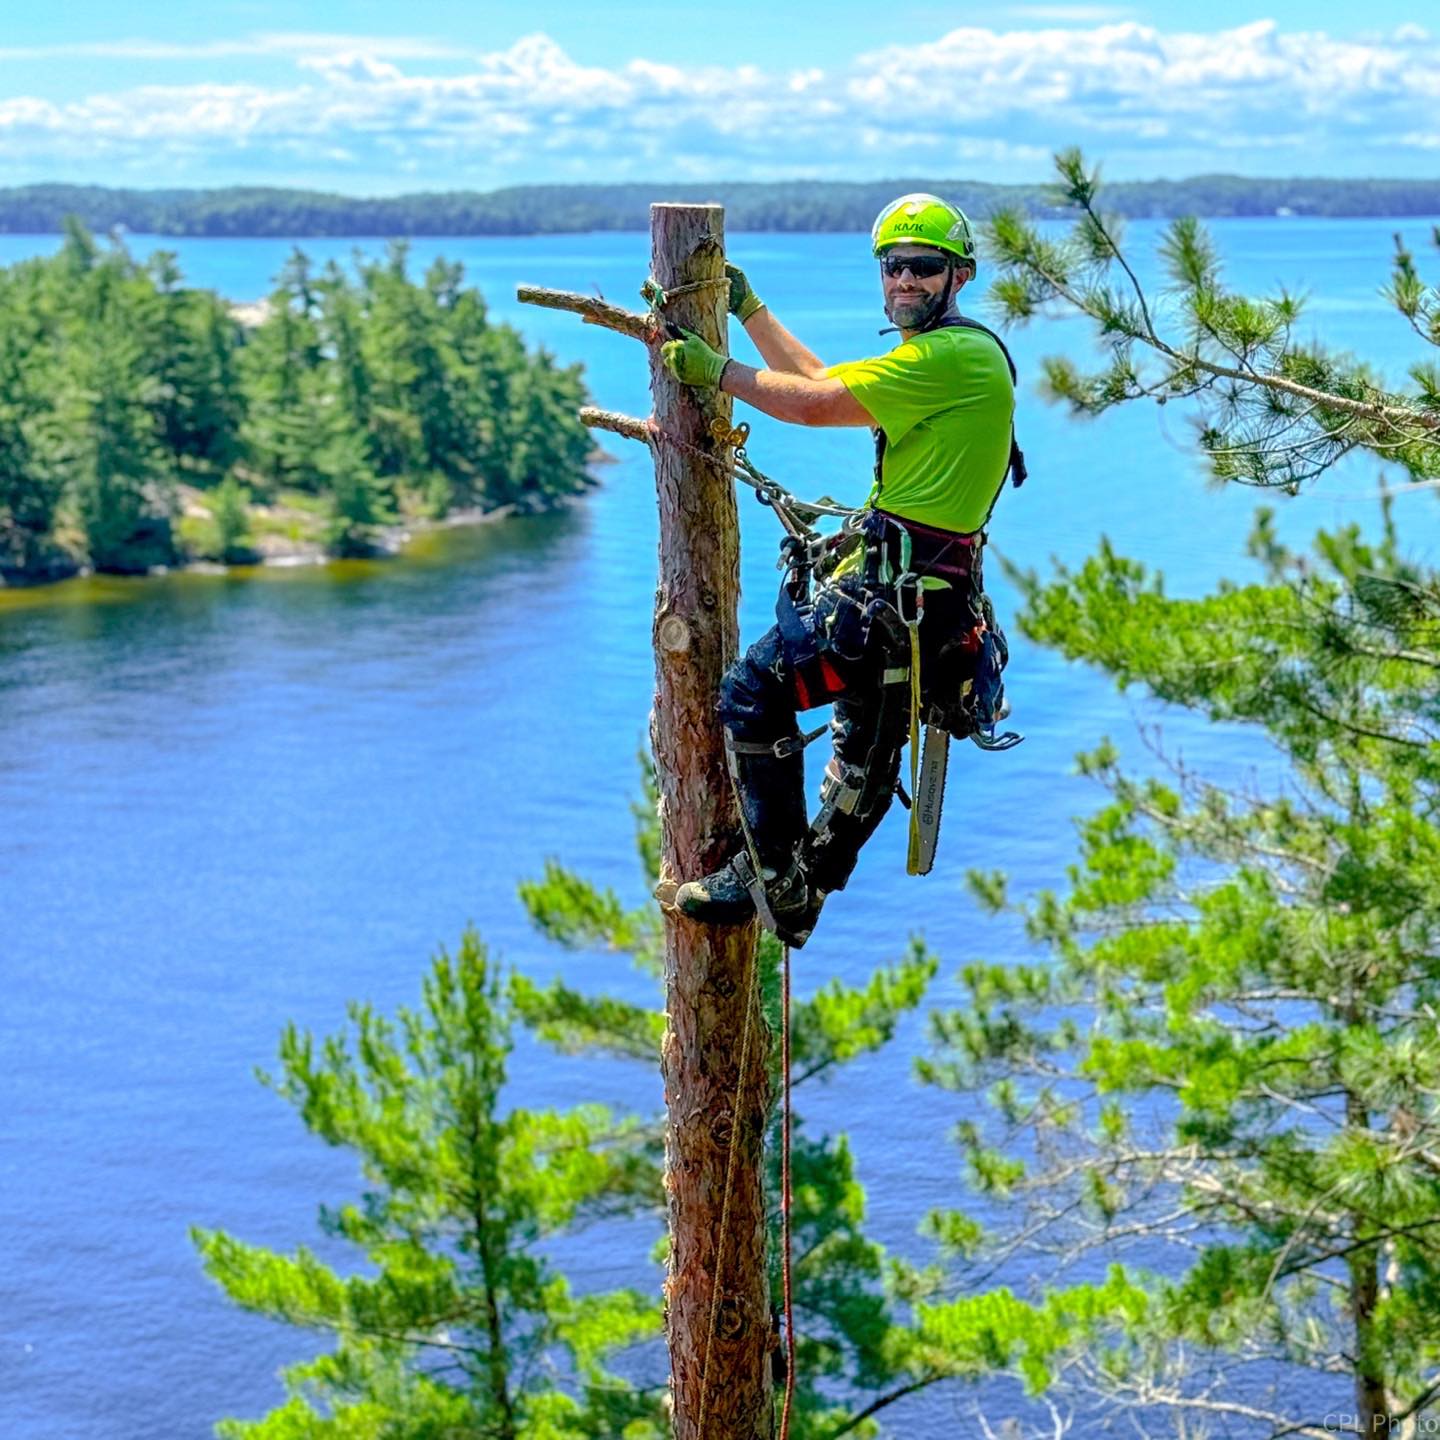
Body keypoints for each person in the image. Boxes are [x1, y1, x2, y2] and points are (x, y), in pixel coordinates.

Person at [660, 193, 1023, 948]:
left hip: (895, 600)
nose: (906, 283)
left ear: (960, 277)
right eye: (895, 268)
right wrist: (751, 310)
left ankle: (771, 879)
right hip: (922, 603)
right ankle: (799, 886)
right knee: (863, 751)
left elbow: (816, 405)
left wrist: (714, 371)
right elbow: (823, 379)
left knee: (754, 690)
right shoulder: (940, 359)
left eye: (924, 269)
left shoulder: (950, 356)